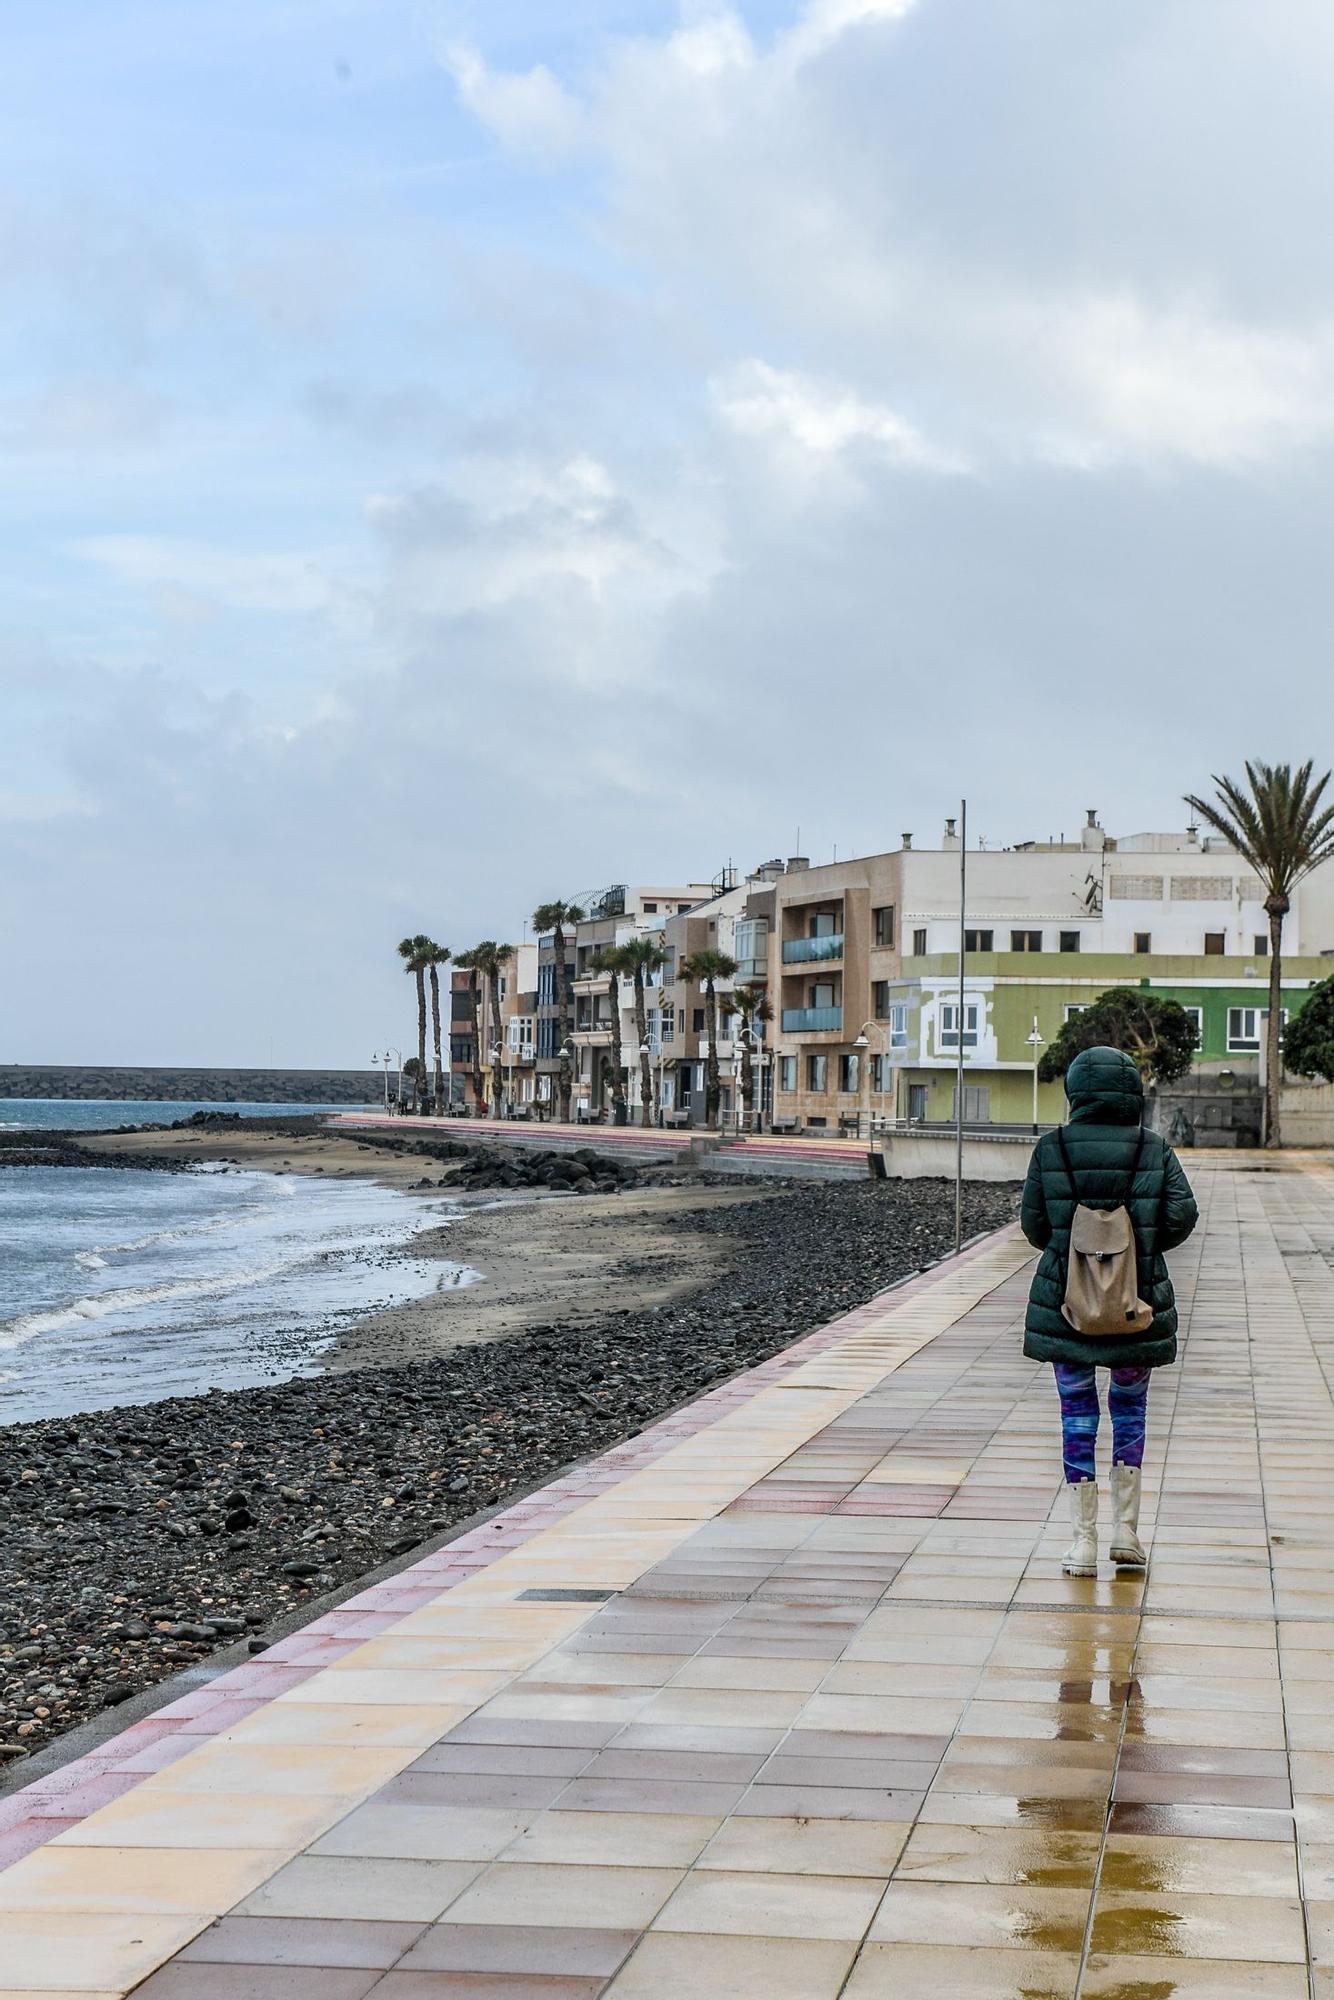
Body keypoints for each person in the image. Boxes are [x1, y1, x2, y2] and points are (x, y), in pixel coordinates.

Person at [1021, 1045, 1198, 1576]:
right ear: (1131, 1094)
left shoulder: (1052, 1150)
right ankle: (1127, 1534)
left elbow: (1033, 1227)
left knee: (1077, 1414)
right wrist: (1137, 1246)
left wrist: (1072, 1248)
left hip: (1066, 1306)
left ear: (1075, 1092)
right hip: (1135, 1306)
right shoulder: (1154, 1148)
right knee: (1130, 1410)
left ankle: (1082, 1543)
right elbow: (1181, 1215)